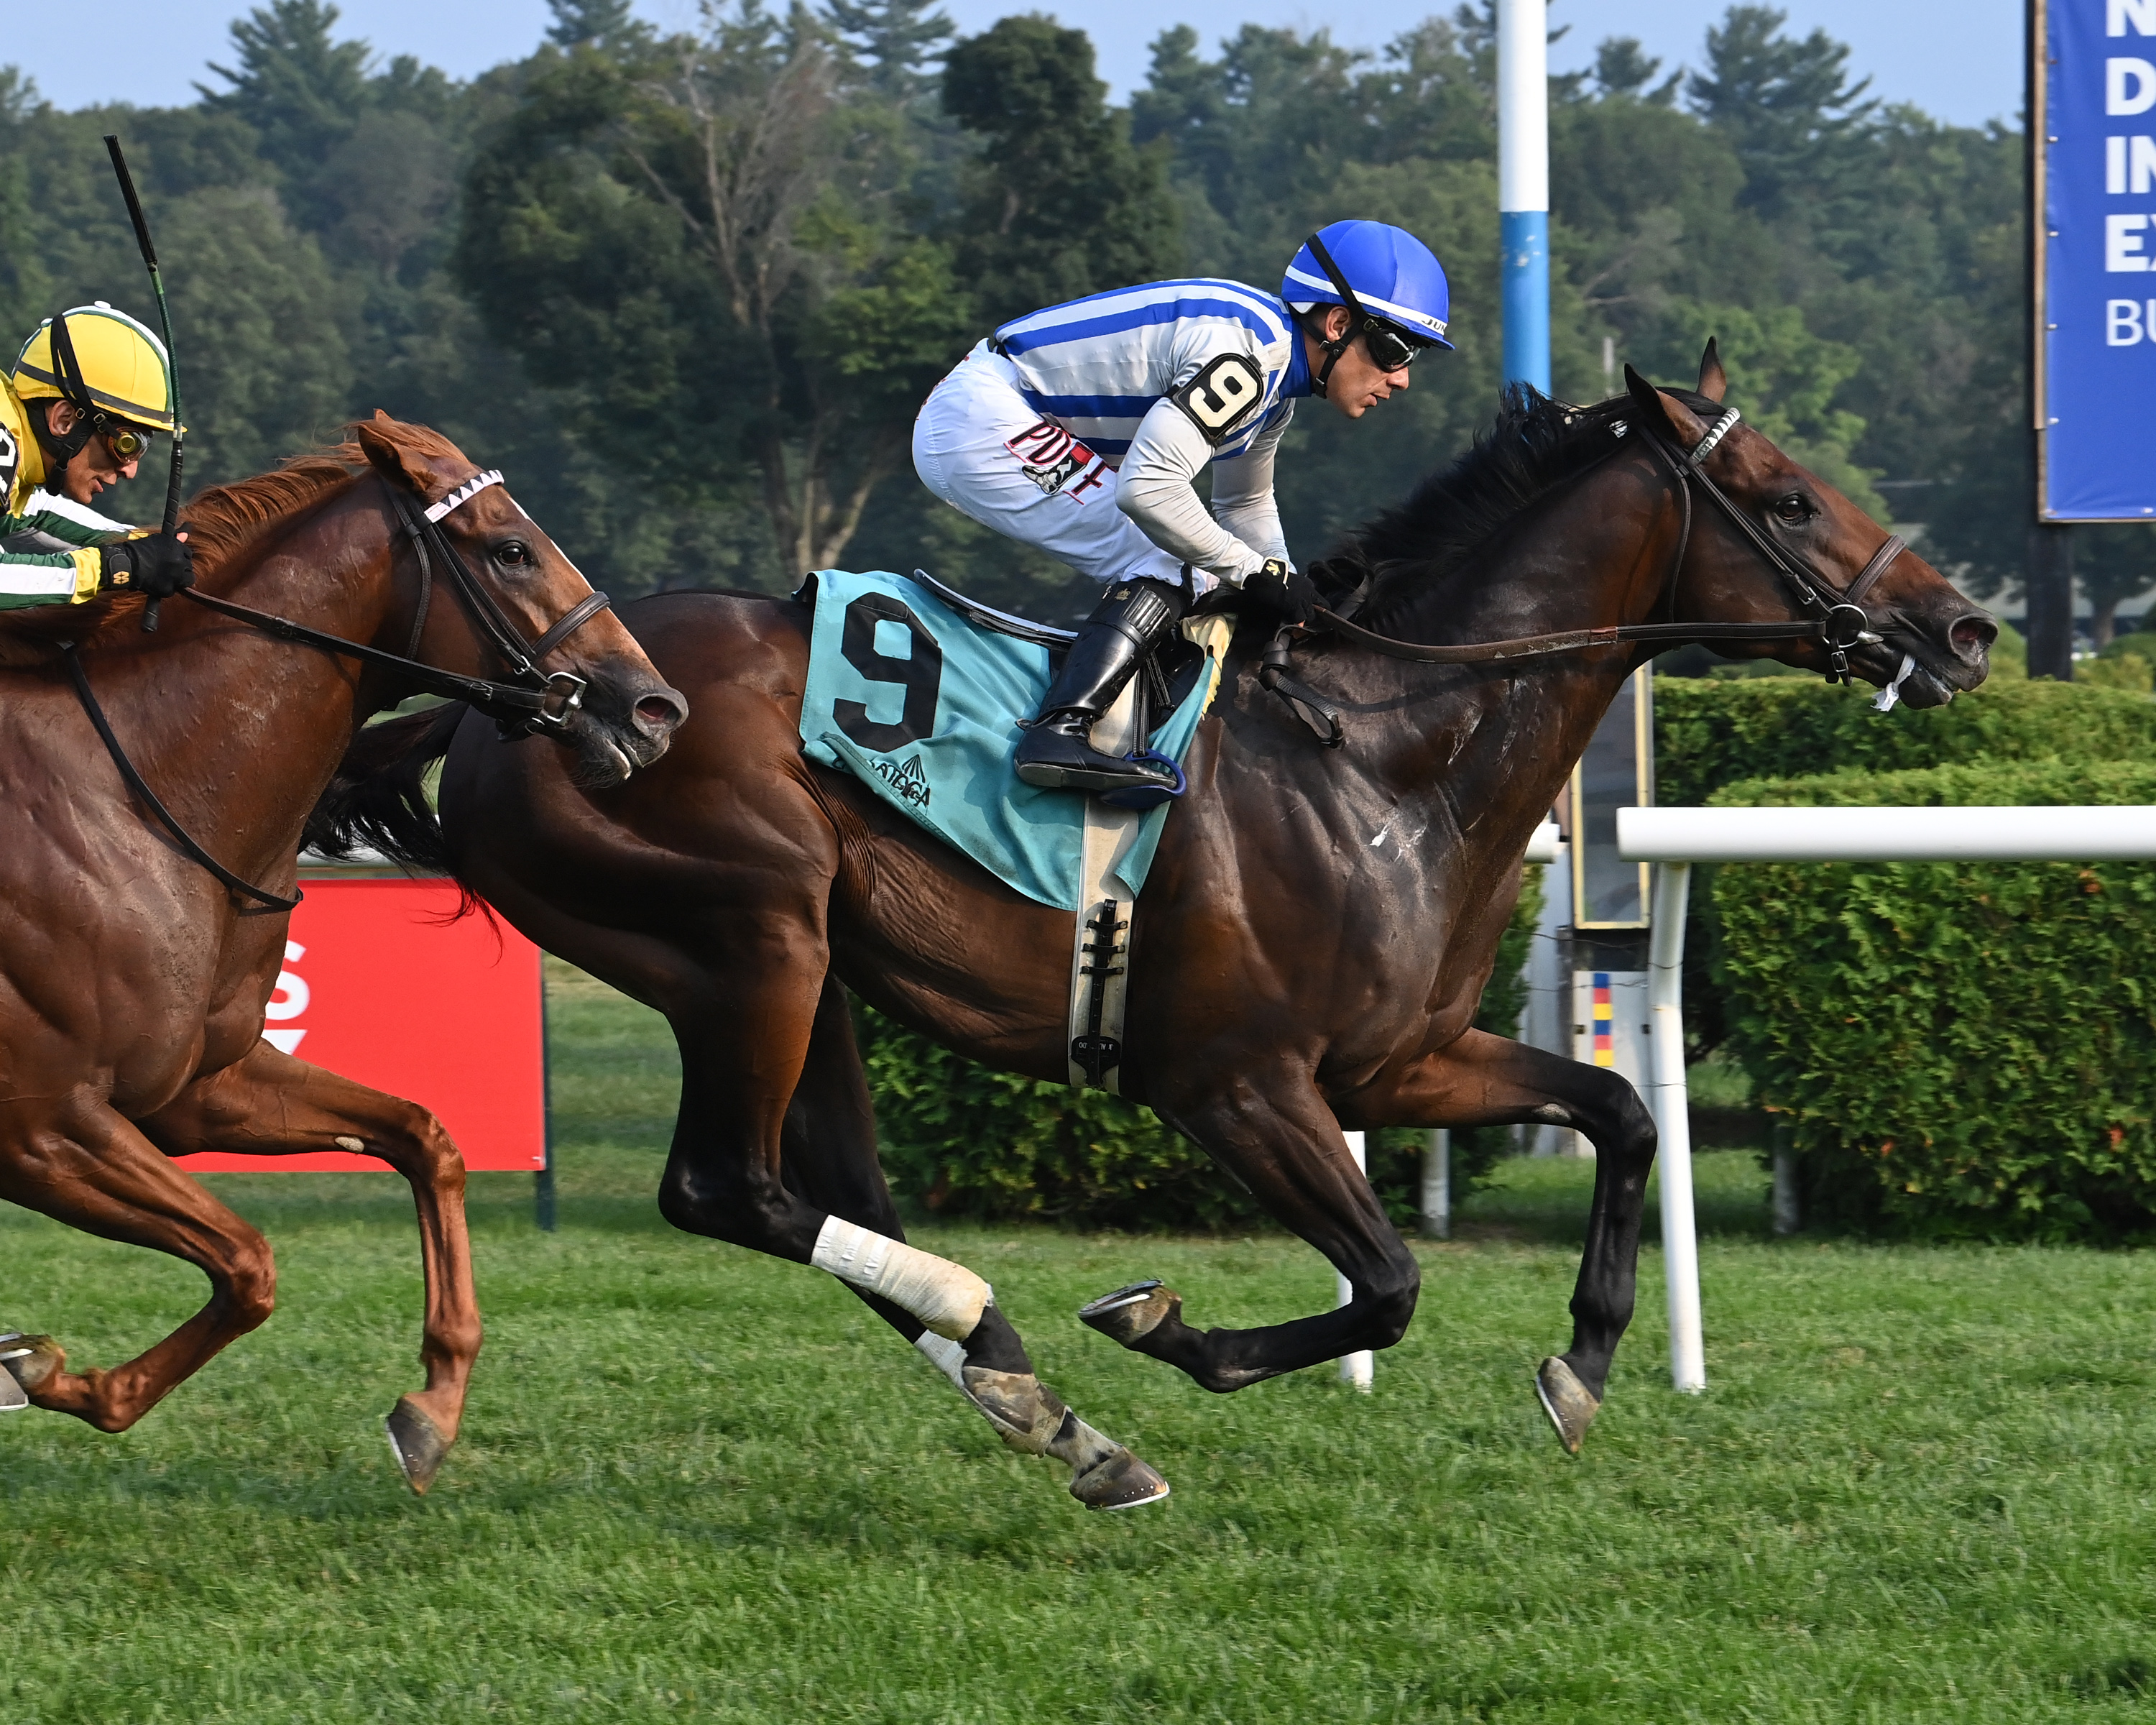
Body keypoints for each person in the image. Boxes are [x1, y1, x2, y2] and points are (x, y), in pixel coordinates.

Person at [911, 221, 1452, 796]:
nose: (1403, 378)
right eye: (1395, 348)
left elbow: (1244, 501)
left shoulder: (1273, 387)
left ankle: (1124, 722)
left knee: (1196, 564)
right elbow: (1148, 492)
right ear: (1338, 323)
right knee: (1169, 560)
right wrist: (1257, 574)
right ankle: (1060, 731)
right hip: (983, 417)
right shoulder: (1247, 360)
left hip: (1004, 408)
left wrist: (1288, 586)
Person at [0, 303, 194, 609]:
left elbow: (29, 511)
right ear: (65, 420)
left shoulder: (16, 451)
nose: (130, 471)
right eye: (127, 444)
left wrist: (137, 544)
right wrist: (114, 566)